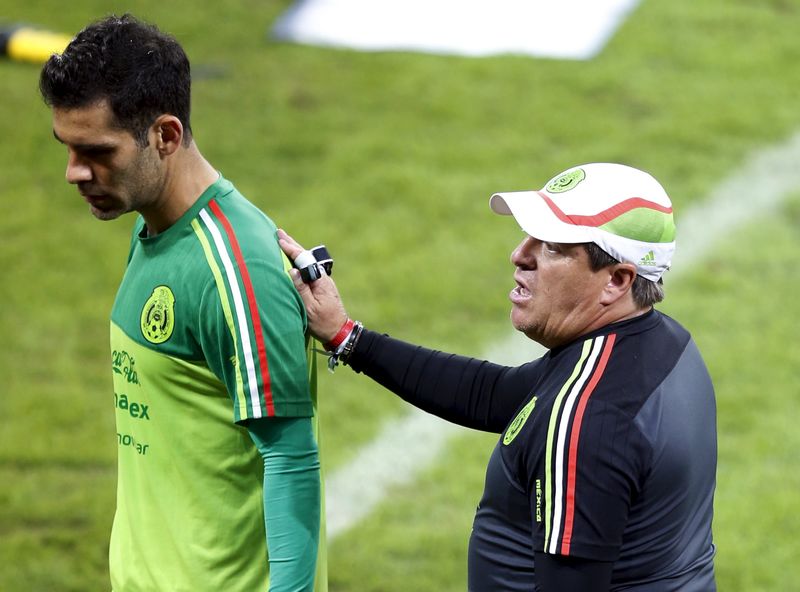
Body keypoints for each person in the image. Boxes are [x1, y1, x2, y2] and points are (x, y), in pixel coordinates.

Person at [278, 162, 717, 591]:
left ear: (616, 280)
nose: (519, 255)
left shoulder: (585, 420)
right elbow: (494, 395)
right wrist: (346, 336)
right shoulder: (658, 345)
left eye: (551, 246)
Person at [39, 14, 326, 592]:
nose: (74, 173)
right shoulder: (152, 228)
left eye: (95, 150)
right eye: (66, 148)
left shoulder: (236, 269)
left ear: (164, 136)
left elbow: (291, 460)